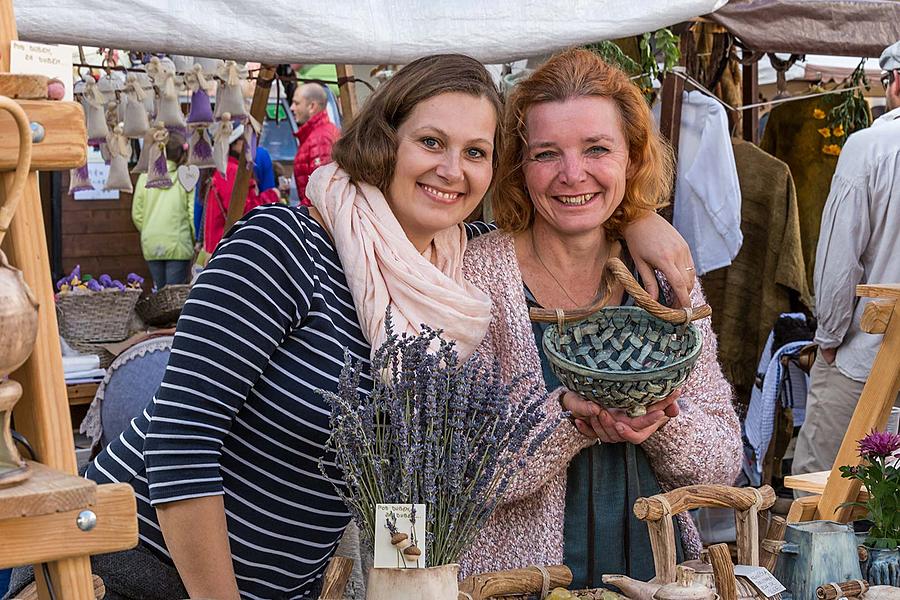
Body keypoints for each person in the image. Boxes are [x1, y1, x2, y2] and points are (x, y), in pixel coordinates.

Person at [5, 54, 691, 600]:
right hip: (136, 576)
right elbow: (183, 443)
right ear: (383, 139)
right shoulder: (284, 245)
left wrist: (638, 218)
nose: (452, 170)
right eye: (431, 141)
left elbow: (404, 474)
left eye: (476, 152)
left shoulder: (452, 275)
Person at [459, 48, 742, 585]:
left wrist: (661, 423)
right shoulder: (476, 276)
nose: (572, 174)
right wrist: (567, 417)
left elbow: (723, 460)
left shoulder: (663, 278)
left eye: (596, 149)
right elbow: (460, 472)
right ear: (518, 164)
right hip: (517, 581)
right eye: (546, 153)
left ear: (632, 158)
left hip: (656, 573)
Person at [792, 40, 900, 477]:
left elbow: (840, 260)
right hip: (871, 356)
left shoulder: (872, 147)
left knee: (820, 489)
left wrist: (830, 339)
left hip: (866, 359)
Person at [131, 131, 195, 289]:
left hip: (151, 242)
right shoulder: (185, 178)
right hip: (178, 244)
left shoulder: (145, 176)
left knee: (160, 293)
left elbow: (137, 214)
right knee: (174, 296)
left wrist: (148, 229)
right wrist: (196, 240)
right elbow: (192, 212)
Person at [202, 123, 270, 254]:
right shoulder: (231, 171)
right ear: (236, 143)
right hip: (229, 248)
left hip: (224, 246)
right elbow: (244, 211)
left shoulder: (227, 169)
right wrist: (270, 196)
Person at [291, 82, 339, 205]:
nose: (292, 108)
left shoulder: (320, 138)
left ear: (312, 106)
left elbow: (320, 190)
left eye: (296, 103)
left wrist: (301, 213)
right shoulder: (316, 134)